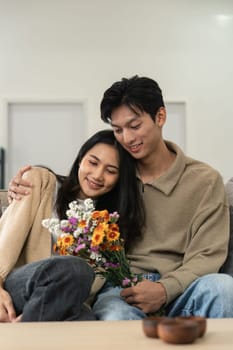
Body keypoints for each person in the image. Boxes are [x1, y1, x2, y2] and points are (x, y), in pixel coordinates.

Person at [8, 76, 233, 320]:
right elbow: (72, 191)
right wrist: (22, 186)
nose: (127, 138)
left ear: (160, 117)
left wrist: (165, 289)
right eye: (118, 130)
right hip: (121, 290)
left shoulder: (204, 180)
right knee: (115, 314)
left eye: (134, 126)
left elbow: (208, 254)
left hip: (183, 286)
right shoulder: (110, 178)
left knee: (223, 288)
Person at [0, 129, 144, 322]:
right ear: (80, 159)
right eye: (92, 163)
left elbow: (92, 287)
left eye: (110, 171)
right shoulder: (41, 181)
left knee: (88, 321)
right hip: (18, 286)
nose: (98, 175)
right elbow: (8, 235)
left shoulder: (109, 225)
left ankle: (24, 330)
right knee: (74, 268)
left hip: (61, 300)